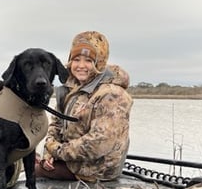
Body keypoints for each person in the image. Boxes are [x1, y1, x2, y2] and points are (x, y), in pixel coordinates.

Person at [36, 31, 133, 181]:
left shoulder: (112, 94)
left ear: (98, 63)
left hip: (95, 170)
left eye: (88, 60)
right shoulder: (69, 89)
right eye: (76, 59)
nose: (81, 66)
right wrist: (48, 152)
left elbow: (100, 142)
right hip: (70, 160)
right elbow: (56, 124)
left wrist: (57, 151)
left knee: (31, 172)